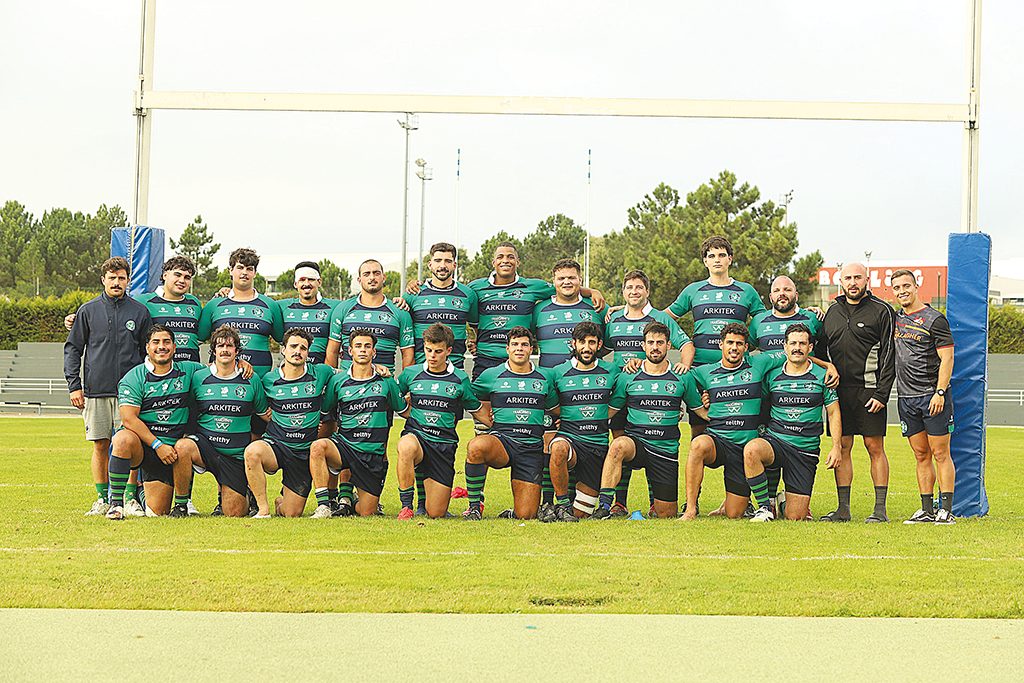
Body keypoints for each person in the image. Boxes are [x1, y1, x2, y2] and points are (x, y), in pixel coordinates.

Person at [682, 323, 837, 520]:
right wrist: (701, 409)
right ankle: (691, 508)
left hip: (744, 447)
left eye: (739, 344)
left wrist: (828, 365)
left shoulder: (759, 362)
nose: (734, 348)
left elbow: (796, 355)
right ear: (721, 345)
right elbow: (684, 380)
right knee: (698, 445)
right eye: (730, 343)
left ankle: (774, 502)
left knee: (735, 513)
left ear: (746, 347)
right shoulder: (706, 371)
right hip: (718, 441)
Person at [64, 256, 152, 516]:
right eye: (112, 278)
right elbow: (73, 349)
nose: (116, 282)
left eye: (121, 278)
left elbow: (147, 352)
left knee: (130, 444)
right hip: (96, 390)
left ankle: (129, 498)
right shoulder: (88, 311)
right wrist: (74, 385)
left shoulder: (139, 312)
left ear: (128, 280)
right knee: (101, 445)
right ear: (103, 280)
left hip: (131, 393)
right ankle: (102, 499)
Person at [592, 322, 704, 519]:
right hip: (637, 444)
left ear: (669, 345)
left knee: (666, 514)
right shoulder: (629, 375)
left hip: (665, 451)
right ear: (643, 346)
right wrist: (572, 418)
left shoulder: (682, 376)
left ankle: (659, 503)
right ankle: (604, 506)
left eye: (660, 342)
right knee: (618, 445)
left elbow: (700, 411)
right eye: (650, 342)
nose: (655, 347)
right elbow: (610, 411)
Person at [603, 268, 692, 514]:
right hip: (621, 391)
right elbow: (600, 348)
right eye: (629, 288)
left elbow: (686, 343)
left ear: (647, 291)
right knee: (621, 446)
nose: (634, 292)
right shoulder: (614, 319)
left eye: (639, 287)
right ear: (623, 292)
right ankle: (619, 503)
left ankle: (656, 502)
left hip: (652, 393)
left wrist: (683, 367)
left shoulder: (659, 318)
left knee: (654, 445)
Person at [664, 235, 767, 437]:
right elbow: (663, 318)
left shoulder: (746, 291)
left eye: (721, 255)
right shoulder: (693, 290)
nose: (717, 259)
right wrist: (683, 342)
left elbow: (766, 322)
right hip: (700, 372)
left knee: (740, 430)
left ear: (730, 259)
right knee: (699, 434)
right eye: (711, 256)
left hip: (738, 374)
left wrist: (751, 344)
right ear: (705, 261)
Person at [819, 262, 897, 523]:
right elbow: (819, 351)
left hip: (870, 391)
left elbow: (889, 355)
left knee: (874, 447)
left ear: (867, 280)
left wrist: (882, 394)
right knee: (842, 446)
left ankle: (880, 510)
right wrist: (827, 371)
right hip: (838, 393)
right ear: (840, 281)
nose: (852, 282)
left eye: (857, 277)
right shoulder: (832, 311)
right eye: (848, 278)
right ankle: (843, 509)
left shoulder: (882, 311)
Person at [743, 324, 843, 522]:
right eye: (793, 343)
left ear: (810, 347)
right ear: (785, 346)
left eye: (802, 344)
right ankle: (765, 508)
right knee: (752, 450)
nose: (797, 348)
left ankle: (782, 501)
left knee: (795, 517)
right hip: (776, 441)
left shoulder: (823, 376)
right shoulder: (772, 375)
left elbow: (833, 413)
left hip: (805, 449)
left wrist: (836, 447)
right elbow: (757, 403)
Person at [463, 242, 605, 382]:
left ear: (518, 262)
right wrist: (474, 339)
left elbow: (563, 288)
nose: (505, 260)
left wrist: (592, 292)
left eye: (510, 257)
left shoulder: (533, 286)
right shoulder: (476, 287)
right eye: (500, 257)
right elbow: (471, 318)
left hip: (519, 360)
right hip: (486, 359)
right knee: (480, 396)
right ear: (493, 262)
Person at [105, 325, 203, 519]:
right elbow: (128, 418)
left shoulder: (190, 370)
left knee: (158, 511)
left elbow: (219, 371)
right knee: (122, 439)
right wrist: (157, 445)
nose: (161, 346)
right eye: (156, 342)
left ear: (174, 347)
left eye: (167, 342)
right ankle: (116, 504)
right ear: (147, 347)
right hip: (145, 447)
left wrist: (240, 363)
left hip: (173, 452)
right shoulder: (134, 377)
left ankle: (142, 492)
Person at [464, 326, 560, 520]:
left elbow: (555, 408)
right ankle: (474, 507)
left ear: (532, 349)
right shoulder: (491, 375)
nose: (519, 348)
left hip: (531, 448)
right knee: (476, 447)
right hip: (503, 441)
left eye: (524, 345)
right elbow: (469, 395)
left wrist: (563, 420)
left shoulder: (545, 377)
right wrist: (484, 414)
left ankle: (511, 513)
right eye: (515, 344)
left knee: (526, 514)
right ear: (507, 349)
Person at [394, 323, 488, 519]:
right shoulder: (411, 374)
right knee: (405, 446)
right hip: (417, 436)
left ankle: (426, 502)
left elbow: (476, 409)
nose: (432, 356)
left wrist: (502, 425)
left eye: (438, 351)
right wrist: (404, 408)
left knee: (436, 513)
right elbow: (394, 395)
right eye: (428, 350)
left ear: (448, 351)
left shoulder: (460, 379)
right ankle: (406, 507)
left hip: (443, 445)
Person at [310, 329, 406, 518]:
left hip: (372, 454)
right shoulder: (337, 381)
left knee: (366, 512)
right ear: (350, 351)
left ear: (374, 352)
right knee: (318, 447)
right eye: (358, 346)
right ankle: (324, 506)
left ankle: (352, 499)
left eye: (367, 346)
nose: (363, 350)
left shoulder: (386, 382)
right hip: (345, 447)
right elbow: (325, 411)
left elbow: (403, 410)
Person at [176, 325, 269, 517]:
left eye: (229, 346)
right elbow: (190, 410)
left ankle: (244, 493)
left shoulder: (251, 379)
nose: (225, 350)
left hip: (235, 456)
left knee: (234, 512)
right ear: (213, 350)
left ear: (237, 351)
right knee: (182, 447)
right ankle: (181, 505)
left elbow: (264, 414)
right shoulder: (199, 377)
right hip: (206, 448)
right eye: (220, 346)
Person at [243, 328, 336, 517]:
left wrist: (377, 369)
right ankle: (263, 509)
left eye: (303, 348)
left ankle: (281, 502)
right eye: (293, 346)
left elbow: (350, 373)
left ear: (308, 353)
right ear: (283, 349)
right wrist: (240, 361)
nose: (297, 351)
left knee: (291, 513)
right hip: (276, 445)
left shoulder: (322, 372)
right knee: (252, 452)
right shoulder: (269, 379)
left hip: (303, 452)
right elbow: (262, 410)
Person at [890, 269, 956, 524]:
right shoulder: (895, 319)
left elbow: (947, 358)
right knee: (920, 455)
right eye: (897, 288)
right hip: (906, 399)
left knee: (941, 453)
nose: (902, 291)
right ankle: (926, 510)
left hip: (932, 397)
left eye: (906, 286)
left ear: (916, 286)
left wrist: (940, 392)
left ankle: (946, 510)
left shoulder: (934, 319)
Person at [547, 322, 620, 521]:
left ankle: (570, 503)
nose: (586, 347)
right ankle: (562, 505)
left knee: (581, 514)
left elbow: (621, 398)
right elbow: (549, 403)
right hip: (570, 439)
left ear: (599, 345)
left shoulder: (612, 371)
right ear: (573, 344)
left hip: (596, 447)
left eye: (591, 342)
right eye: (582, 342)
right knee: (558, 447)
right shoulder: (557, 372)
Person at [66, 256, 203, 363]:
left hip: (190, 372)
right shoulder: (142, 302)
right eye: (177, 275)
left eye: (187, 277)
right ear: (165, 275)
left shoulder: (195, 303)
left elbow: (202, 335)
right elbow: (114, 308)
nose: (182, 280)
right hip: (159, 374)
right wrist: (75, 319)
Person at [198, 247, 284, 378]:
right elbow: (197, 340)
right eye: (240, 267)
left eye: (249, 269)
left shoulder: (270, 305)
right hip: (220, 381)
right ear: (230, 270)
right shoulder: (213, 305)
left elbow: (284, 341)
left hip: (259, 380)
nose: (244, 272)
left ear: (255, 273)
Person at [326, 259, 414, 372]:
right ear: (359, 280)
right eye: (366, 274)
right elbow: (332, 351)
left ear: (384, 277)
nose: (372, 277)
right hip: (347, 381)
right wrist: (333, 379)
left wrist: (403, 382)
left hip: (384, 380)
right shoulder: (343, 309)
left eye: (376, 273)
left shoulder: (400, 311)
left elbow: (408, 355)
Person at [402, 242, 479, 370]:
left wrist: (476, 344)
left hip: (455, 370)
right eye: (438, 260)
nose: (442, 266)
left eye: (448, 261)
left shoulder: (468, 295)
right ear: (430, 264)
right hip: (421, 371)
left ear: (454, 265)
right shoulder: (413, 294)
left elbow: (477, 327)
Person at [278, 261, 342, 365]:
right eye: (302, 280)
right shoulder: (282, 306)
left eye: (311, 279)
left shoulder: (336, 307)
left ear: (319, 282)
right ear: (295, 284)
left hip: (321, 370)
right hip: (292, 371)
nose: (306, 284)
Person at [747, 275, 823, 358]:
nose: (782, 293)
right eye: (776, 290)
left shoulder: (813, 318)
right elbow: (745, 348)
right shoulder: (758, 321)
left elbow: (826, 347)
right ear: (770, 298)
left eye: (787, 290)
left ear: (796, 296)